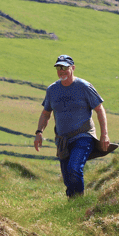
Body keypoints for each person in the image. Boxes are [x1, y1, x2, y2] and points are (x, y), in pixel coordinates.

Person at [34, 55, 112, 197]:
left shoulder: (84, 86)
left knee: (74, 168)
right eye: (59, 67)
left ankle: (79, 203)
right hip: (62, 140)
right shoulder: (52, 90)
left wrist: (104, 134)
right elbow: (46, 114)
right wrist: (39, 132)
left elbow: (100, 109)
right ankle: (72, 205)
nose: (61, 70)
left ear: (73, 68)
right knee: (67, 177)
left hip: (83, 136)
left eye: (65, 67)